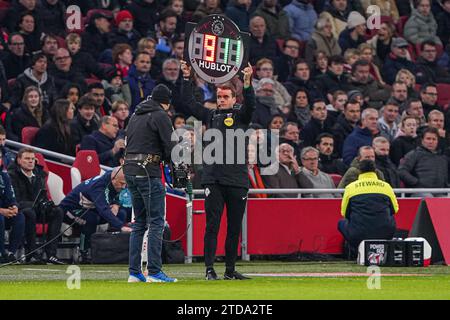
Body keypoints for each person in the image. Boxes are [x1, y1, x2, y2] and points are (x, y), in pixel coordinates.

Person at [180, 60, 255, 280]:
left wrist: (248, 82)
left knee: (234, 228)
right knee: (212, 226)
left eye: (225, 97)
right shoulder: (210, 116)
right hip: (213, 179)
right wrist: (186, 78)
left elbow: (251, 105)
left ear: (234, 99)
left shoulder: (241, 116)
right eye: (219, 97)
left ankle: (230, 271)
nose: (221, 100)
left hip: (238, 179)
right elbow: (188, 102)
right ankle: (209, 269)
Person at [124, 84, 177, 283]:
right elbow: (170, 145)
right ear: (166, 103)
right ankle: (154, 271)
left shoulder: (135, 115)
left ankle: (134, 273)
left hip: (130, 170)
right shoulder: (160, 115)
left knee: (139, 222)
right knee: (156, 221)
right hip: (149, 172)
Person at [59, 167, 132, 264]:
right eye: (122, 183)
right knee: (91, 218)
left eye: (125, 184)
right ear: (113, 179)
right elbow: (103, 210)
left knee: (121, 213)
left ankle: (114, 250)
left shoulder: (114, 176)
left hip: (91, 208)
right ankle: (83, 252)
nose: (123, 187)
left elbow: (115, 195)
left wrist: (116, 204)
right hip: (70, 210)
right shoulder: (98, 187)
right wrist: (121, 226)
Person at [8, 147, 65, 264]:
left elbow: (42, 195)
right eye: (27, 158)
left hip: (37, 208)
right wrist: (36, 204)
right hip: (21, 209)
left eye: (33, 159)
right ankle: (31, 253)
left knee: (57, 211)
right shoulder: (12, 175)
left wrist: (46, 204)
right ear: (19, 160)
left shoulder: (39, 174)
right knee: (30, 213)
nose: (30, 161)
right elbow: (16, 200)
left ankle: (51, 254)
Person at [338, 159, 399, 256]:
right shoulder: (386, 186)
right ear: (375, 171)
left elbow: (344, 213)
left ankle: (355, 251)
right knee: (391, 219)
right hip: (385, 233)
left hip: (358, 234)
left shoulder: (350, 187)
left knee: (341, 223)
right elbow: (395, 210)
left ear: (359, 171)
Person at [398, 127, 449, 196]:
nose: (431, 141)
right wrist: (416, 182)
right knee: (428, 198)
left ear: (437, 141)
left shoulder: (442, 158)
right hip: (420, 191)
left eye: (434, 139)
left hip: (440, 192)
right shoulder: (414, 154)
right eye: (428, 139)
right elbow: (402, 171)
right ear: (422, 140)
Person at [0, 158, 24, 263]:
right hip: (0, 213)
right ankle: (1, 253)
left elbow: (11, 196)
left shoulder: (4, 176)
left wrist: (14, 206)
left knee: (19, 217)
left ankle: (11, 253)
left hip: (4, 212)